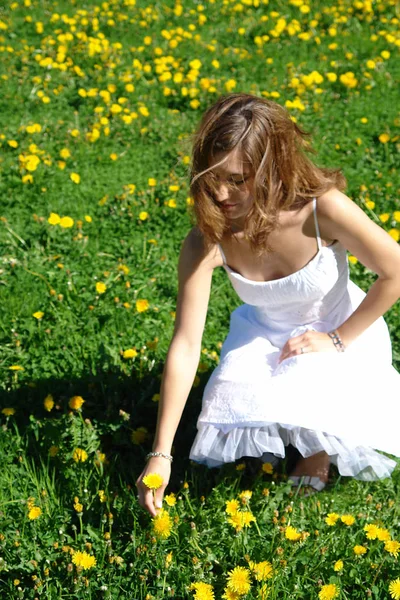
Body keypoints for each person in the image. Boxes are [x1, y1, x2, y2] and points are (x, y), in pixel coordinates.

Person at [136, 92, 400, 516]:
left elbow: (396, 271)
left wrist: (336, 339)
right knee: (227, 391)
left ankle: (317, 451)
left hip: (337, 328)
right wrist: (161, 453)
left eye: (238, 179)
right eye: (212, 178)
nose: (221, 193)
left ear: (273, 167)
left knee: (309, 377)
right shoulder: (207, 238)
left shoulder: (321, 209)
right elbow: (186, 344)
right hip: (264, 335)